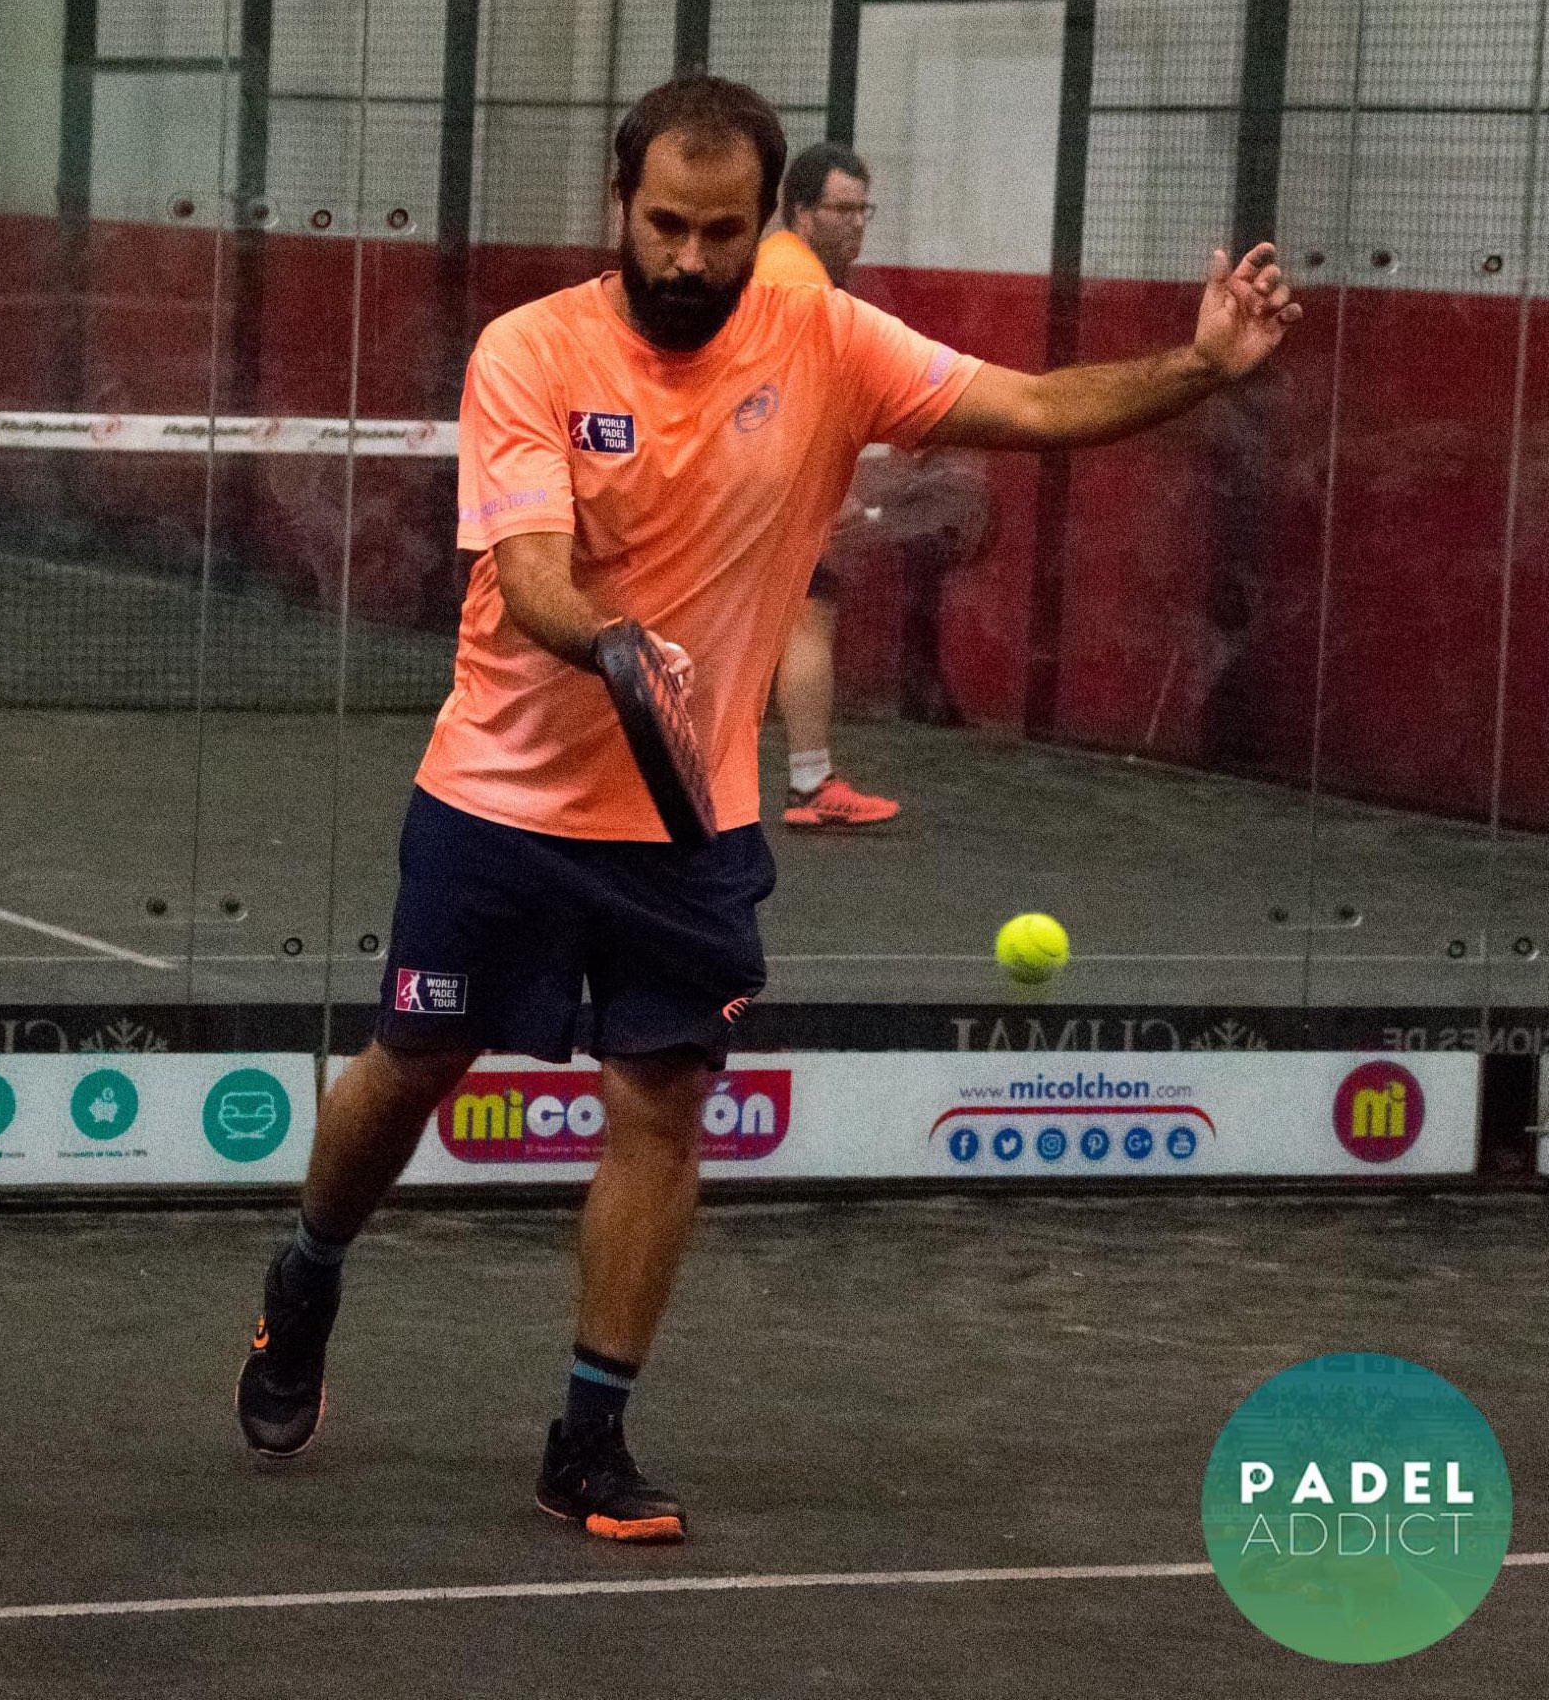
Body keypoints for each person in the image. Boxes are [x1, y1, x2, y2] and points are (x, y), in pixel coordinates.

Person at [233, 75, 1300, 1542]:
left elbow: (1038, 404)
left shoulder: (827, 340)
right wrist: (612, 645)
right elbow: (529, 572)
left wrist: (1201, 364)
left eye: (720, 232)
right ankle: (306, 1274)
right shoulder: (529, 351)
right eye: (665, 225)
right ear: (621, 204)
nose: (688, 258)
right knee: (414, 1064)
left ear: (762, 225)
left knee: (659, 1105)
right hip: (499, 799)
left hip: (689, 822)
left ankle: (588, 1441)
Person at [756, 142, 900, 828]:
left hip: (757, 479)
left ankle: (810, 783)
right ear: (801, 211)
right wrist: (823, 489)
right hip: (767, 482)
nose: (856, 224)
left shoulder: (789, 269)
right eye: (841, 210)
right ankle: (810, 785)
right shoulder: (797, 280)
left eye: (863, 210)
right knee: (808, 613)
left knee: (799, 614)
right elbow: (786, 391)